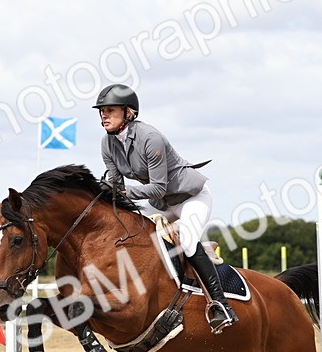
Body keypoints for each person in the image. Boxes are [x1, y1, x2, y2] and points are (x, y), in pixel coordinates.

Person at [93, 83, 237, 333]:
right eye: (102, 111)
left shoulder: (151, 138)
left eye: (110, 110)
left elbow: (158, 188)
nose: (104, 115)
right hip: (162, 205)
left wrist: (122, 192)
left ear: (129, 113)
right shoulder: (108, 144)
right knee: (130, 230)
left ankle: (220, 305)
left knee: (188, 240)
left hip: (191, 198)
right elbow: (116, 186)